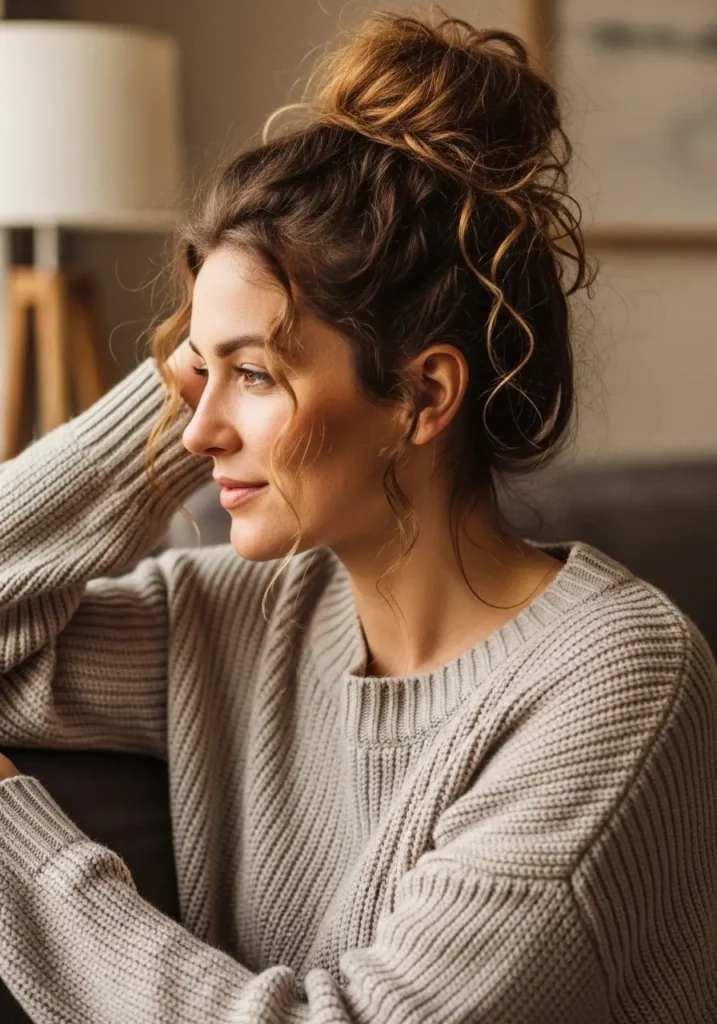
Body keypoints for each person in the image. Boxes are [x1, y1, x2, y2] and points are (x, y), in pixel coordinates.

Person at [0, 8, 715, 1023]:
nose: (198, 432)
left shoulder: (618, 682)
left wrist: (15, 842)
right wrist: (189, 383)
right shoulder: (234, 614)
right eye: (195, 373)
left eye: (252, 374)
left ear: (423, 396)